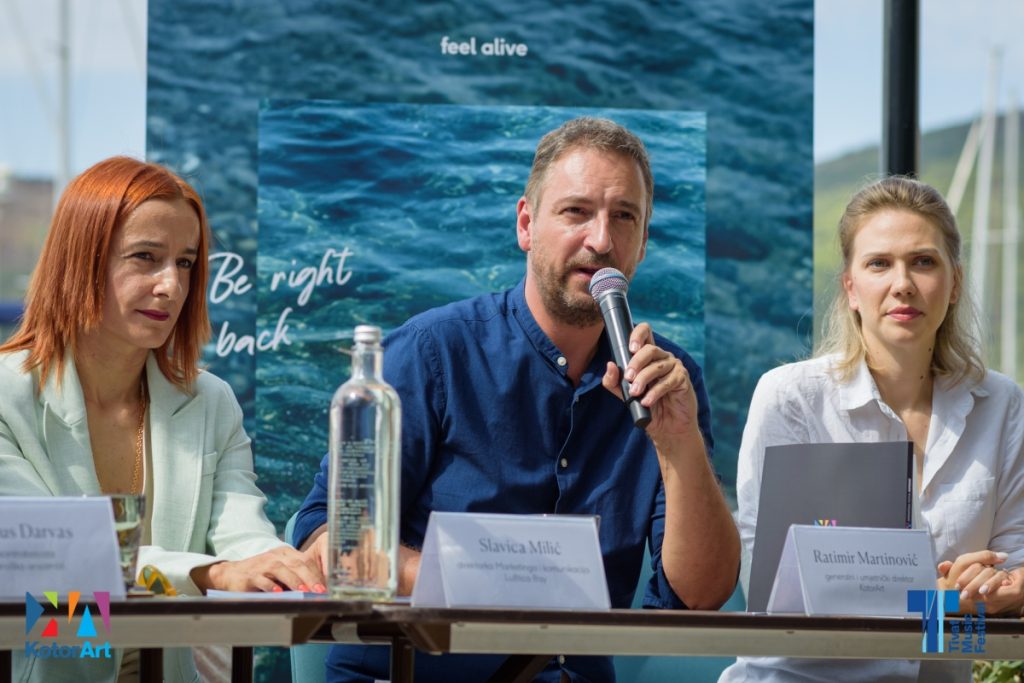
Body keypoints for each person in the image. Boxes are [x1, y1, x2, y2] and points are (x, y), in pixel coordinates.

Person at [292, 116, 740, 682]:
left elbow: (702, 596)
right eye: (576, 211)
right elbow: (329, 537)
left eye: (624, 217)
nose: (601, 240)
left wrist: (678, 444)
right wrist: (489, 580)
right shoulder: (432, 353)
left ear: (644, 242)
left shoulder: (667, 381)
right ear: (526, 224)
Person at [0, 156, 325, 682]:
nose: (171, 285)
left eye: (186, 263)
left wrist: (281, 566)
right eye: (145, 257)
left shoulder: (212, 400)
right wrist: (211, 573)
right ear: (80, 260)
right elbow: (55, 564)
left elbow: (242, 531)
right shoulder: (4, 395)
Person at [720, 176, 1024, 683]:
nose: (902, 283)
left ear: (955, 284)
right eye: (879, 263)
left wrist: (995, 596)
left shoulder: (1003, 404)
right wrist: (941, 604)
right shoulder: (791, 398)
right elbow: (774, 593)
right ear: (851, 288)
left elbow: (1011, 581)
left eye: (923, 262)